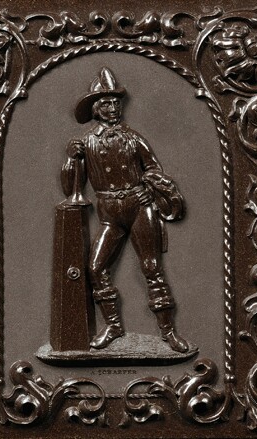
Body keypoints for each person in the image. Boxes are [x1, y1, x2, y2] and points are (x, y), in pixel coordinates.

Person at [62, 67, 190, 353]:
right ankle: (114, 326)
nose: (113, 108)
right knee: (96, 267)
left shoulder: (133, 138)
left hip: (138, 207)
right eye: (106, 103)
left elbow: (154, 168)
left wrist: (150, 185)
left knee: (151, 267)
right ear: (96, 108)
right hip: (110, 213)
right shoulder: (87, 142)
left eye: (116, 102)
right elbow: (70, 187)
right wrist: (71, 160)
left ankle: (168, 332)